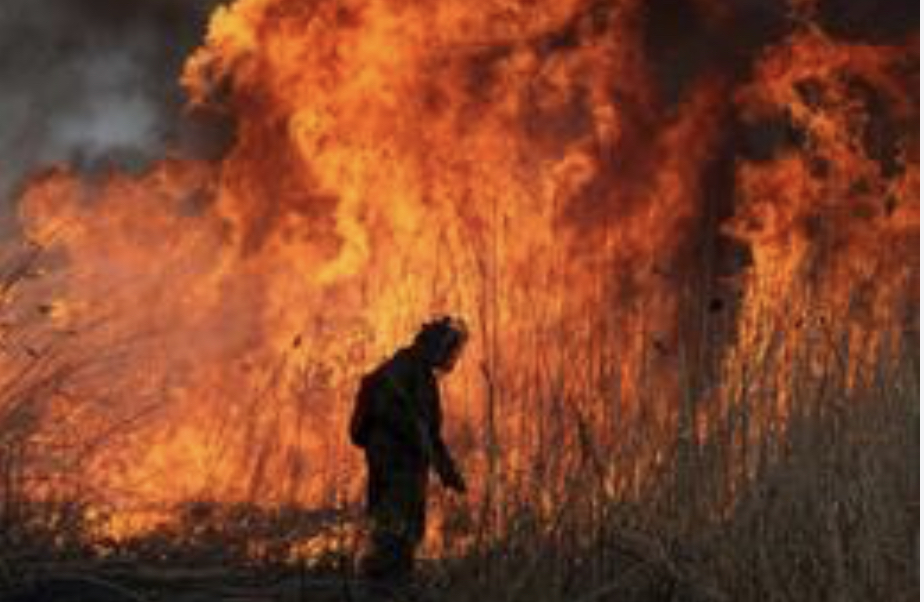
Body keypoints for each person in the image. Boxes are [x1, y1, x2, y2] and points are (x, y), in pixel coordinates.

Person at [349, 316, 469, 592]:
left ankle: (384, 583)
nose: (454, 357)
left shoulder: (408, 368)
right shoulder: (410, 371)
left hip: (393, 461)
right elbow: (417, 427)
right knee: (399, 530)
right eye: (452, 350)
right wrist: (442, 466)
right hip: (397, 464)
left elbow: (427, 431)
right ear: (438, 347)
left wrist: (446, 471)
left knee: (396, 527)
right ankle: (383, 586)